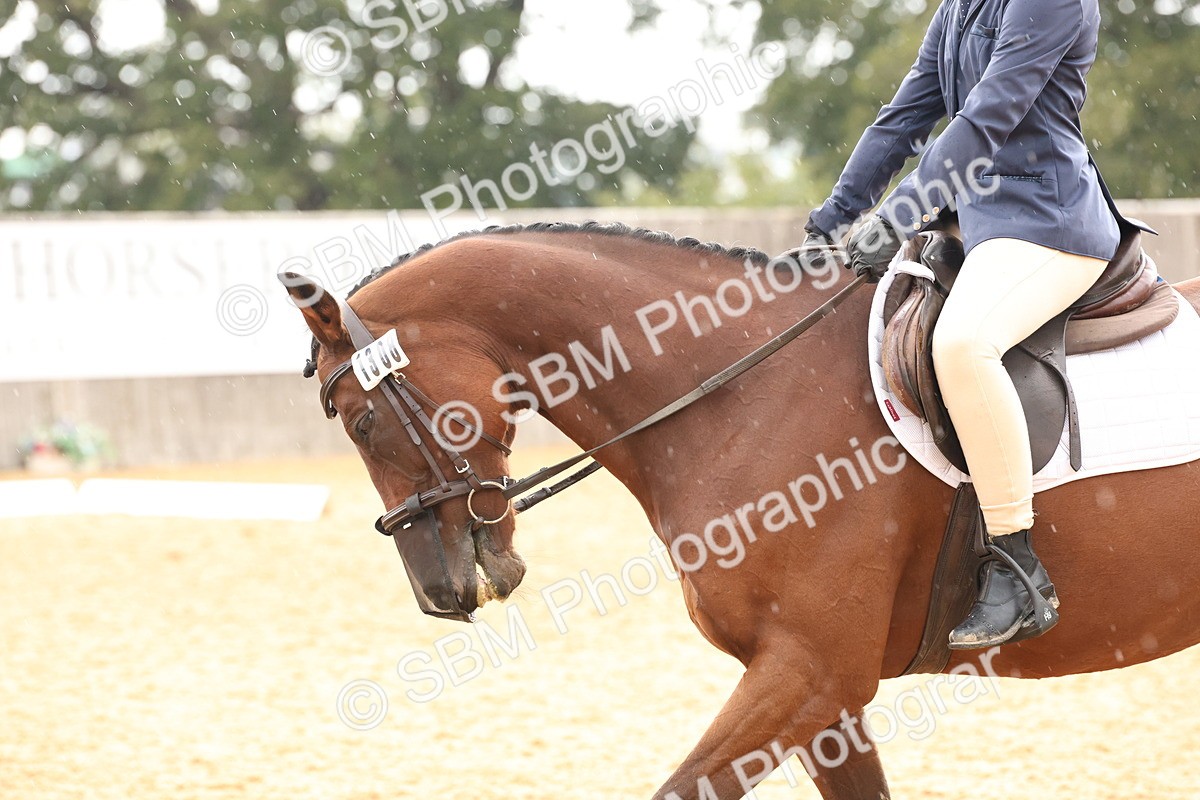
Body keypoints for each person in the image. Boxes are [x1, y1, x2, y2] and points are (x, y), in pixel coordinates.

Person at [800, 0, 1128, 648]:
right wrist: (829, 221)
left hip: (1049, 226)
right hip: (978, 226)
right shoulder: (957, 7)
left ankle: (1017, 564)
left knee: (963, 343)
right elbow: (903, 118)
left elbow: (987, 118)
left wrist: (896, 215)